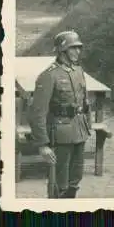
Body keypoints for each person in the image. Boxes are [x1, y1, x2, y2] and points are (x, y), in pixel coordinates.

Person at [28, 30, 92, 199]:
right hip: (60, 136)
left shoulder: (78, 71)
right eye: (73, 48)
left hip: (79, 132)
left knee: (75, 180)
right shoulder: (49, 75)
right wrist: (43, 144)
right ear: (62, 51)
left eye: (79, 48)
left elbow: (85, 102)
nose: (78, 51)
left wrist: (88, 126)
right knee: (59, 183)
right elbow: (37, 113)